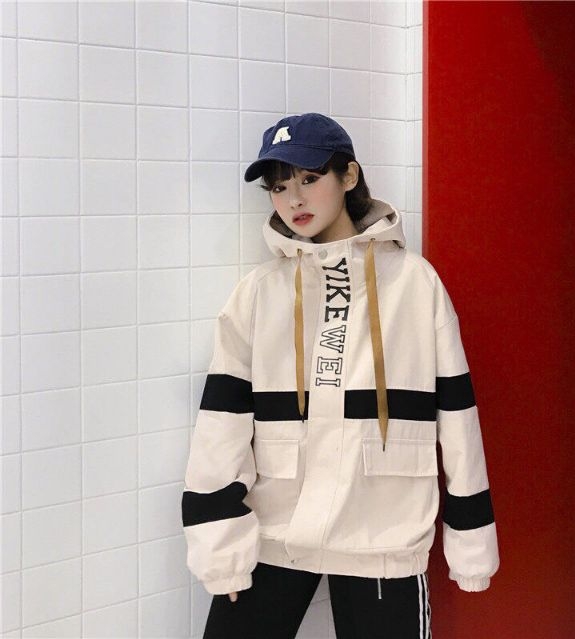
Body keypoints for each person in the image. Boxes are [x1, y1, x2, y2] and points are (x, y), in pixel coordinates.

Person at [181, 113, 500, 638]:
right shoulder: (260, 292)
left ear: (348, 175)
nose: (294, 199)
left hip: (383, 535)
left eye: (310, 178)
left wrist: (470, 539)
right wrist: (219, 543)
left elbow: (458, 416)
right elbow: (221, 422)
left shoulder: (415, 284)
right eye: (279, 187)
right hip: (276, 532)